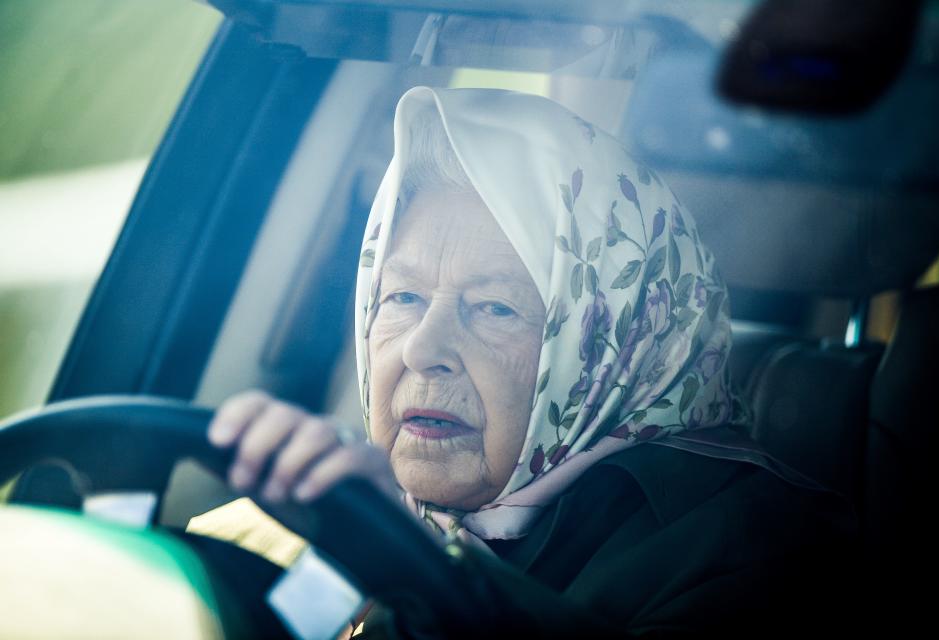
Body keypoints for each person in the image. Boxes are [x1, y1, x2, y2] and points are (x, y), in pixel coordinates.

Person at [206, 87, 856, 637]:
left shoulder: (771, 552)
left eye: (494, 308)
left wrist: (422, 574)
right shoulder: (308, 513)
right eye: (402, 297)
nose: (422, 350)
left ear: (610, 343)